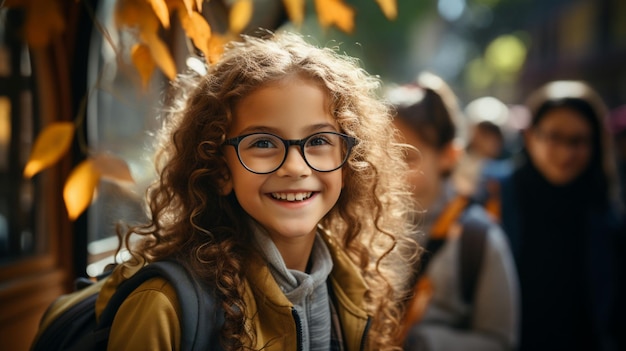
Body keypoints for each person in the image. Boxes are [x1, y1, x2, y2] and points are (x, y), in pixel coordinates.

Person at [96, 31, 417, 350]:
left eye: (318, 141)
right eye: (263, 143)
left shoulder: (354, 292)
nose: (294, 167)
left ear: (349, 164)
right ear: (220, 169)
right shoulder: (164, 307)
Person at [389, 73, 519, 351]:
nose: (389, 170)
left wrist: (421, 342)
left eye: (406, 157)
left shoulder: (479, 237)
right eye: (381, 154)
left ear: (449, 156)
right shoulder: (360, 223)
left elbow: (500, 340)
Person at [491, 80, 625, 351]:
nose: (566, 153)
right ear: (530, 136)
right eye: (554, 137)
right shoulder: (494, 199)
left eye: (578, 141)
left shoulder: (607, 211)